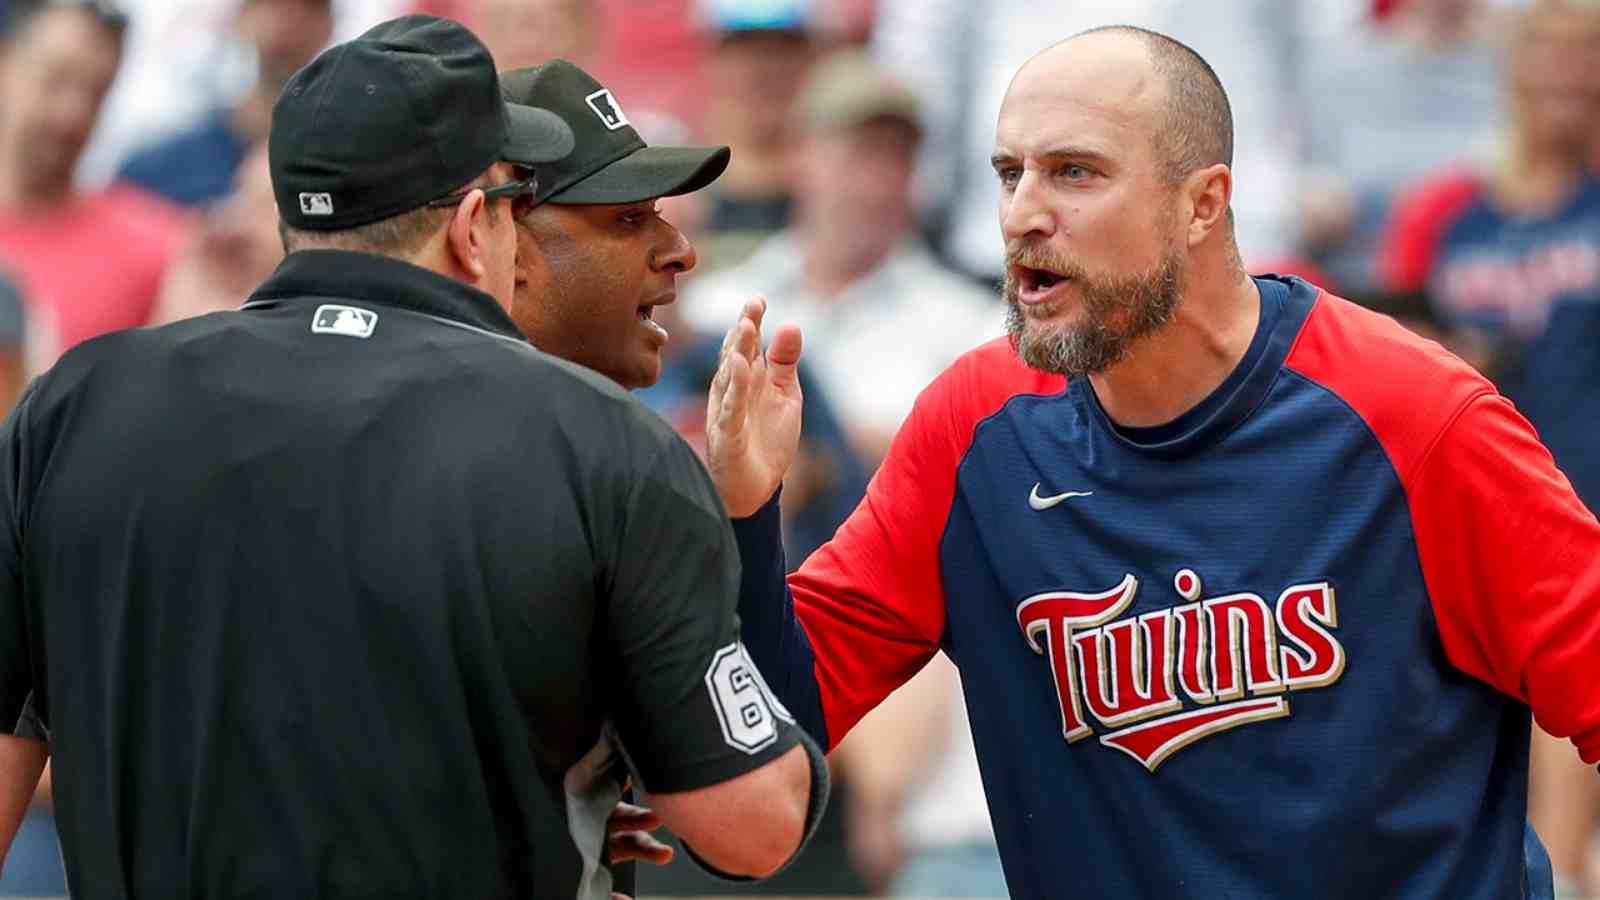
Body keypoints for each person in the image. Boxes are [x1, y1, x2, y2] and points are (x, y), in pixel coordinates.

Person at [705, 24, 1600, 899]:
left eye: (1075, 172)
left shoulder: (1414, 416)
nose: (1023, 213)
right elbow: (779, 718)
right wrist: (746, 519)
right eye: (1010, 174)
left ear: (1202, 203)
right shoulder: (975, 431)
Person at [0, 15, 826, 899]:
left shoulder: (71, 409)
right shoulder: (599, 442)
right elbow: (754, 824)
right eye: (514, 202)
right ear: (476, 226)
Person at [0, 0, 188, 373]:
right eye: (57, 79)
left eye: (96, 91)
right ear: (6, 64)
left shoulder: (159, 249)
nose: (73, 114)